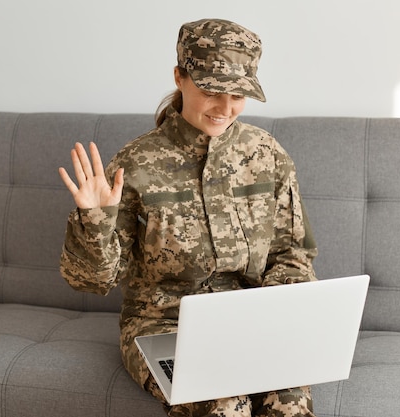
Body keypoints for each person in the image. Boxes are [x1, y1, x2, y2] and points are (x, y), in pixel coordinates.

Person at [59, 18, 318, 417]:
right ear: (180, 77)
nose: (225, 108)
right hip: (162, 326)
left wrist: (278, 318)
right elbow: (92, 283)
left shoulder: (267, 155)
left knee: (290, 403)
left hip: (250, 323)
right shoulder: (136, 164)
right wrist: (94, 219)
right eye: (212, 91)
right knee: (225, 402)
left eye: (238, 94)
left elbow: (292, 252)